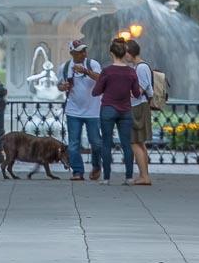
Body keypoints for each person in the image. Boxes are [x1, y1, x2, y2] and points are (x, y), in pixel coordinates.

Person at [92, 38, 142, 185]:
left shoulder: (107, 71)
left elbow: (96, 92)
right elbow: (137, 93)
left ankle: (106, 178)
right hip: (125, 110)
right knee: (127, 144)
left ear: (111, 53)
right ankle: (129, 177)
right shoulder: (131, 72)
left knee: (106, 143)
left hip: (108, 109)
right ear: (124, 53)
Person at [58, 38, 102, 181]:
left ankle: (96, 166)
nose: (83, 53)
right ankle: (77, 171)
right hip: (73, 111)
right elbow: (59, 85)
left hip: (93, 111)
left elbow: (101, 79)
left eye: (84, 50)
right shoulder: (65, 67)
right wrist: (63, 87)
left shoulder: (92, 64)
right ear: (72, 53)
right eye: (79, 51)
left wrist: (86, 71)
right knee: (73, 144)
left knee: (96, 143)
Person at [125, 40, 154, 186]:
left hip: (138, 107)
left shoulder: (141, 67)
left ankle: (145, 176)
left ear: (130, 53)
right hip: (139, 106)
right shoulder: (138, 67)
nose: (124, 56)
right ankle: (144, 175)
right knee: (139, 143)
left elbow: (140, 90)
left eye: (125, 53)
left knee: (134, 142)